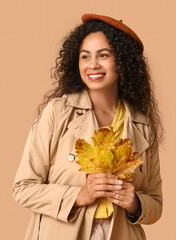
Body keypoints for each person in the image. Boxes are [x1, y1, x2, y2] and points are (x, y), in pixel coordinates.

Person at [12, 13, 163, 240]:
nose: (92, 65)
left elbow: (156, 205)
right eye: (85, 56)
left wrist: (135, 203)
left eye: (103, 55)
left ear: (122, 62)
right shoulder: (58, 113)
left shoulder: (142, 125)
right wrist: (79, 195)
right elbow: (23, 188)